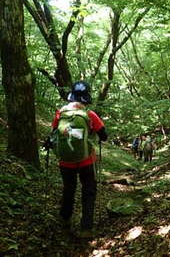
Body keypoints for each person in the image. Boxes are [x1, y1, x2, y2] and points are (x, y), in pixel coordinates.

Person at [45, 81, 107, 239]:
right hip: (86, 160)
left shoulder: (60, 113)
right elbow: (104, 136)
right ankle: (86, 228)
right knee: (89, 191)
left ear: (71, 96)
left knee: (68, 190)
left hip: (65, 161)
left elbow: (54, 134)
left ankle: (65, 221)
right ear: (86, 98)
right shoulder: (90, 114)